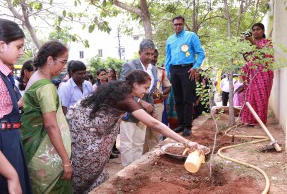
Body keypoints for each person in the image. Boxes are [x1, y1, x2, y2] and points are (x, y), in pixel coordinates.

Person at [66, 70, 205, 194]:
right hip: (84, 128)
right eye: (145, 88)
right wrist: (186, 142)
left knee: (98, 163)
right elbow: (155, 124)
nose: (146, 92)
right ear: (135, 84)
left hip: (92, 126)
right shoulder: (125, 98)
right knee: (87, 164)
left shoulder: (122, 90)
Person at [20, 41, 73, 193]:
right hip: (44, 151)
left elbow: (22, 104)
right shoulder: (46, 87)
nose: (64, 67)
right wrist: (66, 161)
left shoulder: (35, 76)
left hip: (32, 146)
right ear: (50, 60)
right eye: (62, 62)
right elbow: (50, 125)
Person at [0, 18, 32, 194]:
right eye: (19, 47)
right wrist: (11, 175)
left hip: (8, 144)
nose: (22, 52)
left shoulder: (0, 72)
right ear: (2, 45)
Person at [165, 15, 205, 136]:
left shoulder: (191, 36)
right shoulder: (170, 39)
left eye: (180, 24)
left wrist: (195, 67)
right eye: (175, 24)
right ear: (173, 25)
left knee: (188, 98)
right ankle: (181, 124)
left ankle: (188, 126)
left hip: (188, 69)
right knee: (178, 99)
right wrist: (168, 71)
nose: (177, 26)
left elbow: (201, 53)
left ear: (183, 24)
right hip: (174, 70)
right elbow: (168, 57)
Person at [119, 39, 157, 166]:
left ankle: (134, 169)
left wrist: (152, 110)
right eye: (147, 54)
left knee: (139, 142)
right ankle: (126, 171)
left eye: (152, 54)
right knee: (127, 144)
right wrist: (140, 101)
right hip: (129, 110)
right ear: (139, 52)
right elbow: (122, 89)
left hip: (144, 112)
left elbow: (150, 92)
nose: (150, 57)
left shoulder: (154, 69)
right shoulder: (130, 66)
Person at [241, 23, 274, 125]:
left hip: (263, 74)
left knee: (261, 97)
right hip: (252, 73)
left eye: (258, 29)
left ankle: (260, 122)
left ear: (263, 31)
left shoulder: (267, 42)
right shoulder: (250, 44)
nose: (255, 32)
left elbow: (263, 54)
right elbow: (247, 58)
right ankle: (250, 120)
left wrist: (252, 42)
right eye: (254, 30)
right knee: (250, 96)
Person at [144, 49, 171, 152]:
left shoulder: (161, 71)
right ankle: (143, 156)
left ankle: (154, 154)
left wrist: (162, 94)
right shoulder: (142, 69)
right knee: (144, 133)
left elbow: (168, 87)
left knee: (155, 132)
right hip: (144, 104)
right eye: (150, 55)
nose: (152, 58)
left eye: (154, 56)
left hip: (158, 104)